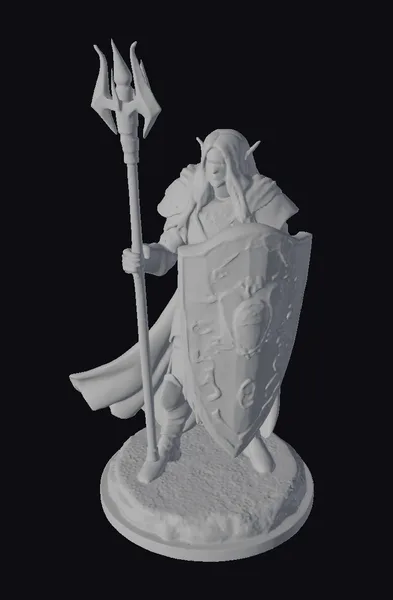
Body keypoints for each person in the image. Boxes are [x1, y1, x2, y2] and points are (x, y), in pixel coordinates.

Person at [70, 129, 298, 478]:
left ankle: (247, 438)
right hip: (194, 312)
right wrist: (145, 257)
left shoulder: (261, 202)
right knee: (173, 391)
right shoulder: (191, 203)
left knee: (240, 383)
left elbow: (282, 257)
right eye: (209, 161)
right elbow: (167, 254)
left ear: (239, 164)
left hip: (242, 315)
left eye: (222, 163)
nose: (214, 169)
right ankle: (168, 443)